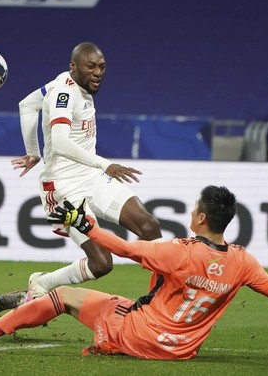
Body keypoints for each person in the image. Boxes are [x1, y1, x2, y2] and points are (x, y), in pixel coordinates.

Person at [0, 185, 268, 359]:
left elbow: (123, 247)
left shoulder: (180, 252)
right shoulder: (243, 261)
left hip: (141, 336)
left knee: (63, 297)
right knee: (125, 302)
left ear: (199, 217)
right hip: (181, 349)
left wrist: (84, 224)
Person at [11, 41, 163, 301]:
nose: (98, 72)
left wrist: (33, 151)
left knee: (149, 226)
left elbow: (27, 104)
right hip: (65, 187)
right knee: (102, 264)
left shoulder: (61, 82)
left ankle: (162, 297)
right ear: (74, 66)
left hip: (91, 178)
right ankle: (43, 283)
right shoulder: (64, 94)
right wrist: (105, 164)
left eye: (102, 67)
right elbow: (59, 141)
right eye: (90, 66)